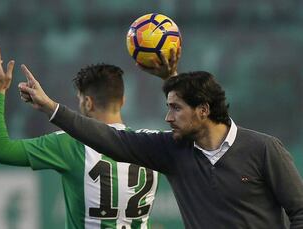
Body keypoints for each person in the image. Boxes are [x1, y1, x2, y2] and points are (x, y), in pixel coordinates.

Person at [19, 66, 303, 228]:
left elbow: (299, 211)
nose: (167, 118)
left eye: (176, 109)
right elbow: (111, 139)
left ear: (203, 110)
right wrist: (50, 108)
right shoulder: (172, 151)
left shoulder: (264, 148)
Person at [0, 47, 180, 228]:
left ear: (87, 102)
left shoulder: (70, 143)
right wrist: (171, 77)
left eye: (79, 99)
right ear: (122, 100)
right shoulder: (153, 143)